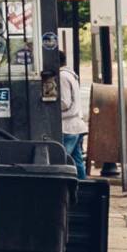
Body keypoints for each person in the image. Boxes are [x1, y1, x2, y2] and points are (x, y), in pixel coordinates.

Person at [56, 37, 91, 176]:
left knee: (63, 160)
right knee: (76, 161)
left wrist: (51, 110)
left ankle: (71, 188)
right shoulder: (70, 75)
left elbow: (64, 102)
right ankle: (82, 186)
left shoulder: (62, 77)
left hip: (68, 126)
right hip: (76, 125)